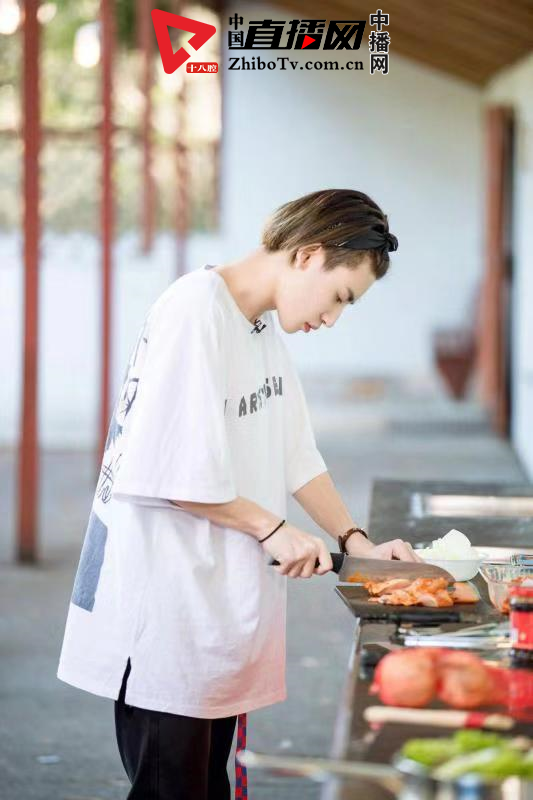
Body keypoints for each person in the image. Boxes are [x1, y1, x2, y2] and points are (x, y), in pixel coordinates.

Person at [57, 188, 422, 800]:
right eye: (340, 297)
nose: (333, 318)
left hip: (213, 611)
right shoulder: (195, 310)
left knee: (208, 786)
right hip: (165, 615)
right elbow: (166, 471)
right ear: (308, 255)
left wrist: (355, 541)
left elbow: (296, 456)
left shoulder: (259, 327)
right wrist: (273, 528)